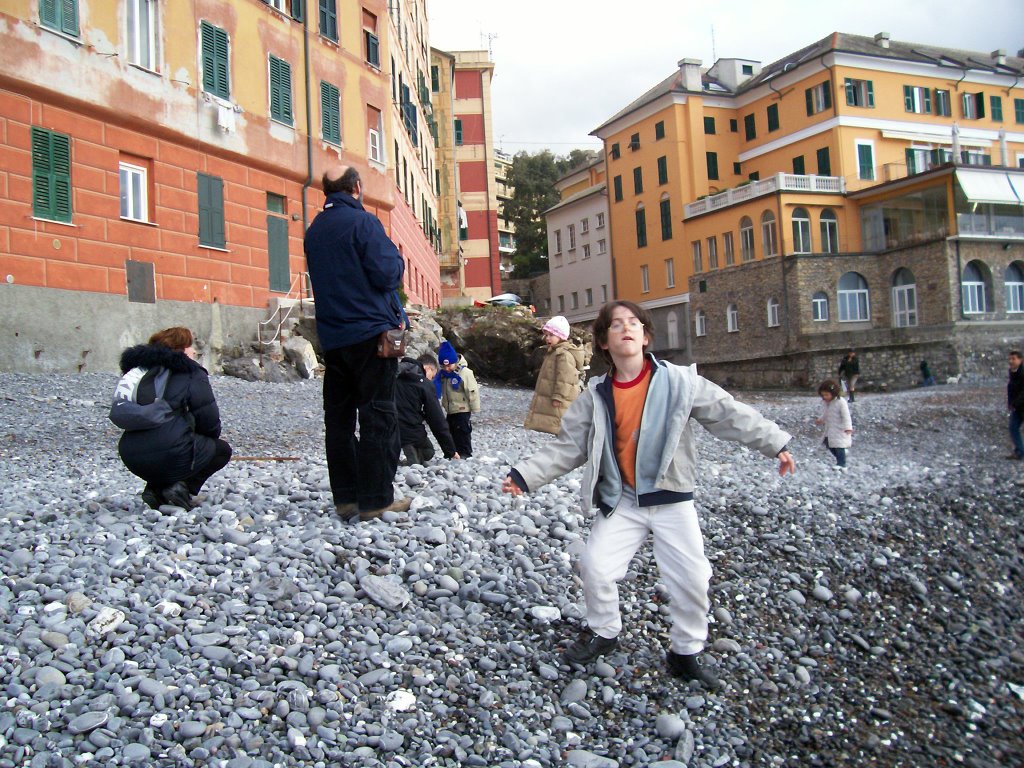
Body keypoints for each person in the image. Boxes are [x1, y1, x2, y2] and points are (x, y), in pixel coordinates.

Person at [501, 301, 795, 688]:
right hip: (622, 500)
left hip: (672, 500)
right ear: (604, 341)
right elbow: (569, 446)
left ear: (645, 335)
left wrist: (776, 443)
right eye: (616, 325)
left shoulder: (680, 381)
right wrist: (524, 476)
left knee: (692, 578)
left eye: (633, 323)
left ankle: (685, 651)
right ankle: (604, 632)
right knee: (595, 565)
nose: (626, 329)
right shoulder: (596, 395)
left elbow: (728, 413)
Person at [304, 165, 410, 521]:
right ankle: (376, 499)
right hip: (369, 335)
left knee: (339, 419)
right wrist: (396, 257)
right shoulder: (363, 223)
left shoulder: (314, 230)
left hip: (333, 338)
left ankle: (346, 498)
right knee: (378, 415)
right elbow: (387, 274)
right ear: (357, 188)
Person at [116, 327, 231, 510]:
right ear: (182, 349)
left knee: (166, 441)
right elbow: (208, 418)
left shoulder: (138, 371)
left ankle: (155, 489)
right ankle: (180, 488)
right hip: (169, 452)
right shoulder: (190, 372)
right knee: (221, 450)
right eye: (190, 346)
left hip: (130, 454)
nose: (194, 351)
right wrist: (206, 440)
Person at [524, 315, 585, 435]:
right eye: (546, 335)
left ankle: (566, 450)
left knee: (561, 425)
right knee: (558, 426)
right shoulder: (554, 352)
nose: (547, 338)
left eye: (551, 335)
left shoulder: (563, 355)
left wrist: (559, 396)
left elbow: (565, 378)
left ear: (561, 337)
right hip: (557, 398)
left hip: (561, 399)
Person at [396, 354, 459, 465]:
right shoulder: (424, 384)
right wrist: (451, 451)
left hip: (388, 428)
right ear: (428, 369)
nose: (432, 379)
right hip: (411, 431)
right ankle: (411, 453)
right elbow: (436, 419)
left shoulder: (395, 375)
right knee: (428, 452)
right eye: (433, 376)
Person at [437, 340, 480, 458]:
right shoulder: (443, 375)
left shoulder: (465, 373)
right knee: (450, 431)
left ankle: (465, 452)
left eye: (449, 365)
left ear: (455, 362)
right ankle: (453, 452)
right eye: (443, 366)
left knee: (463, 431)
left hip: (463, 408)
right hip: (450, 409)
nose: (446, 369)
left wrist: (475, 407)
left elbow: (472, 390)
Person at [815, 380, 853, 467]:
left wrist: (848, 427)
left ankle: (841, 464)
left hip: (840, 428)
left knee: (838, 445)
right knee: (828, 443)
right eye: (823, 395)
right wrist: (821, 419)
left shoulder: (841, 402)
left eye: (826, 395)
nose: (825, 397)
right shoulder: (826, 403)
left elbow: (846, 416)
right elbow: (826, 413)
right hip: (830, 428)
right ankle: (842, 455)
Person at [1007, 350, 1024, 460]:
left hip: (1021, 406)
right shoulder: (1013, 373)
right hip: (1017, 407)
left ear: (1020, 359)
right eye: (1010, 359)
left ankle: (1020, 451)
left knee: (1014, 428)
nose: (1011, 361)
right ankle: (1020, 451)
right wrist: (1010, 403)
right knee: (1013, 428)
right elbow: (1011, 389)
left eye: (1013, 359)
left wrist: (1015, 402)